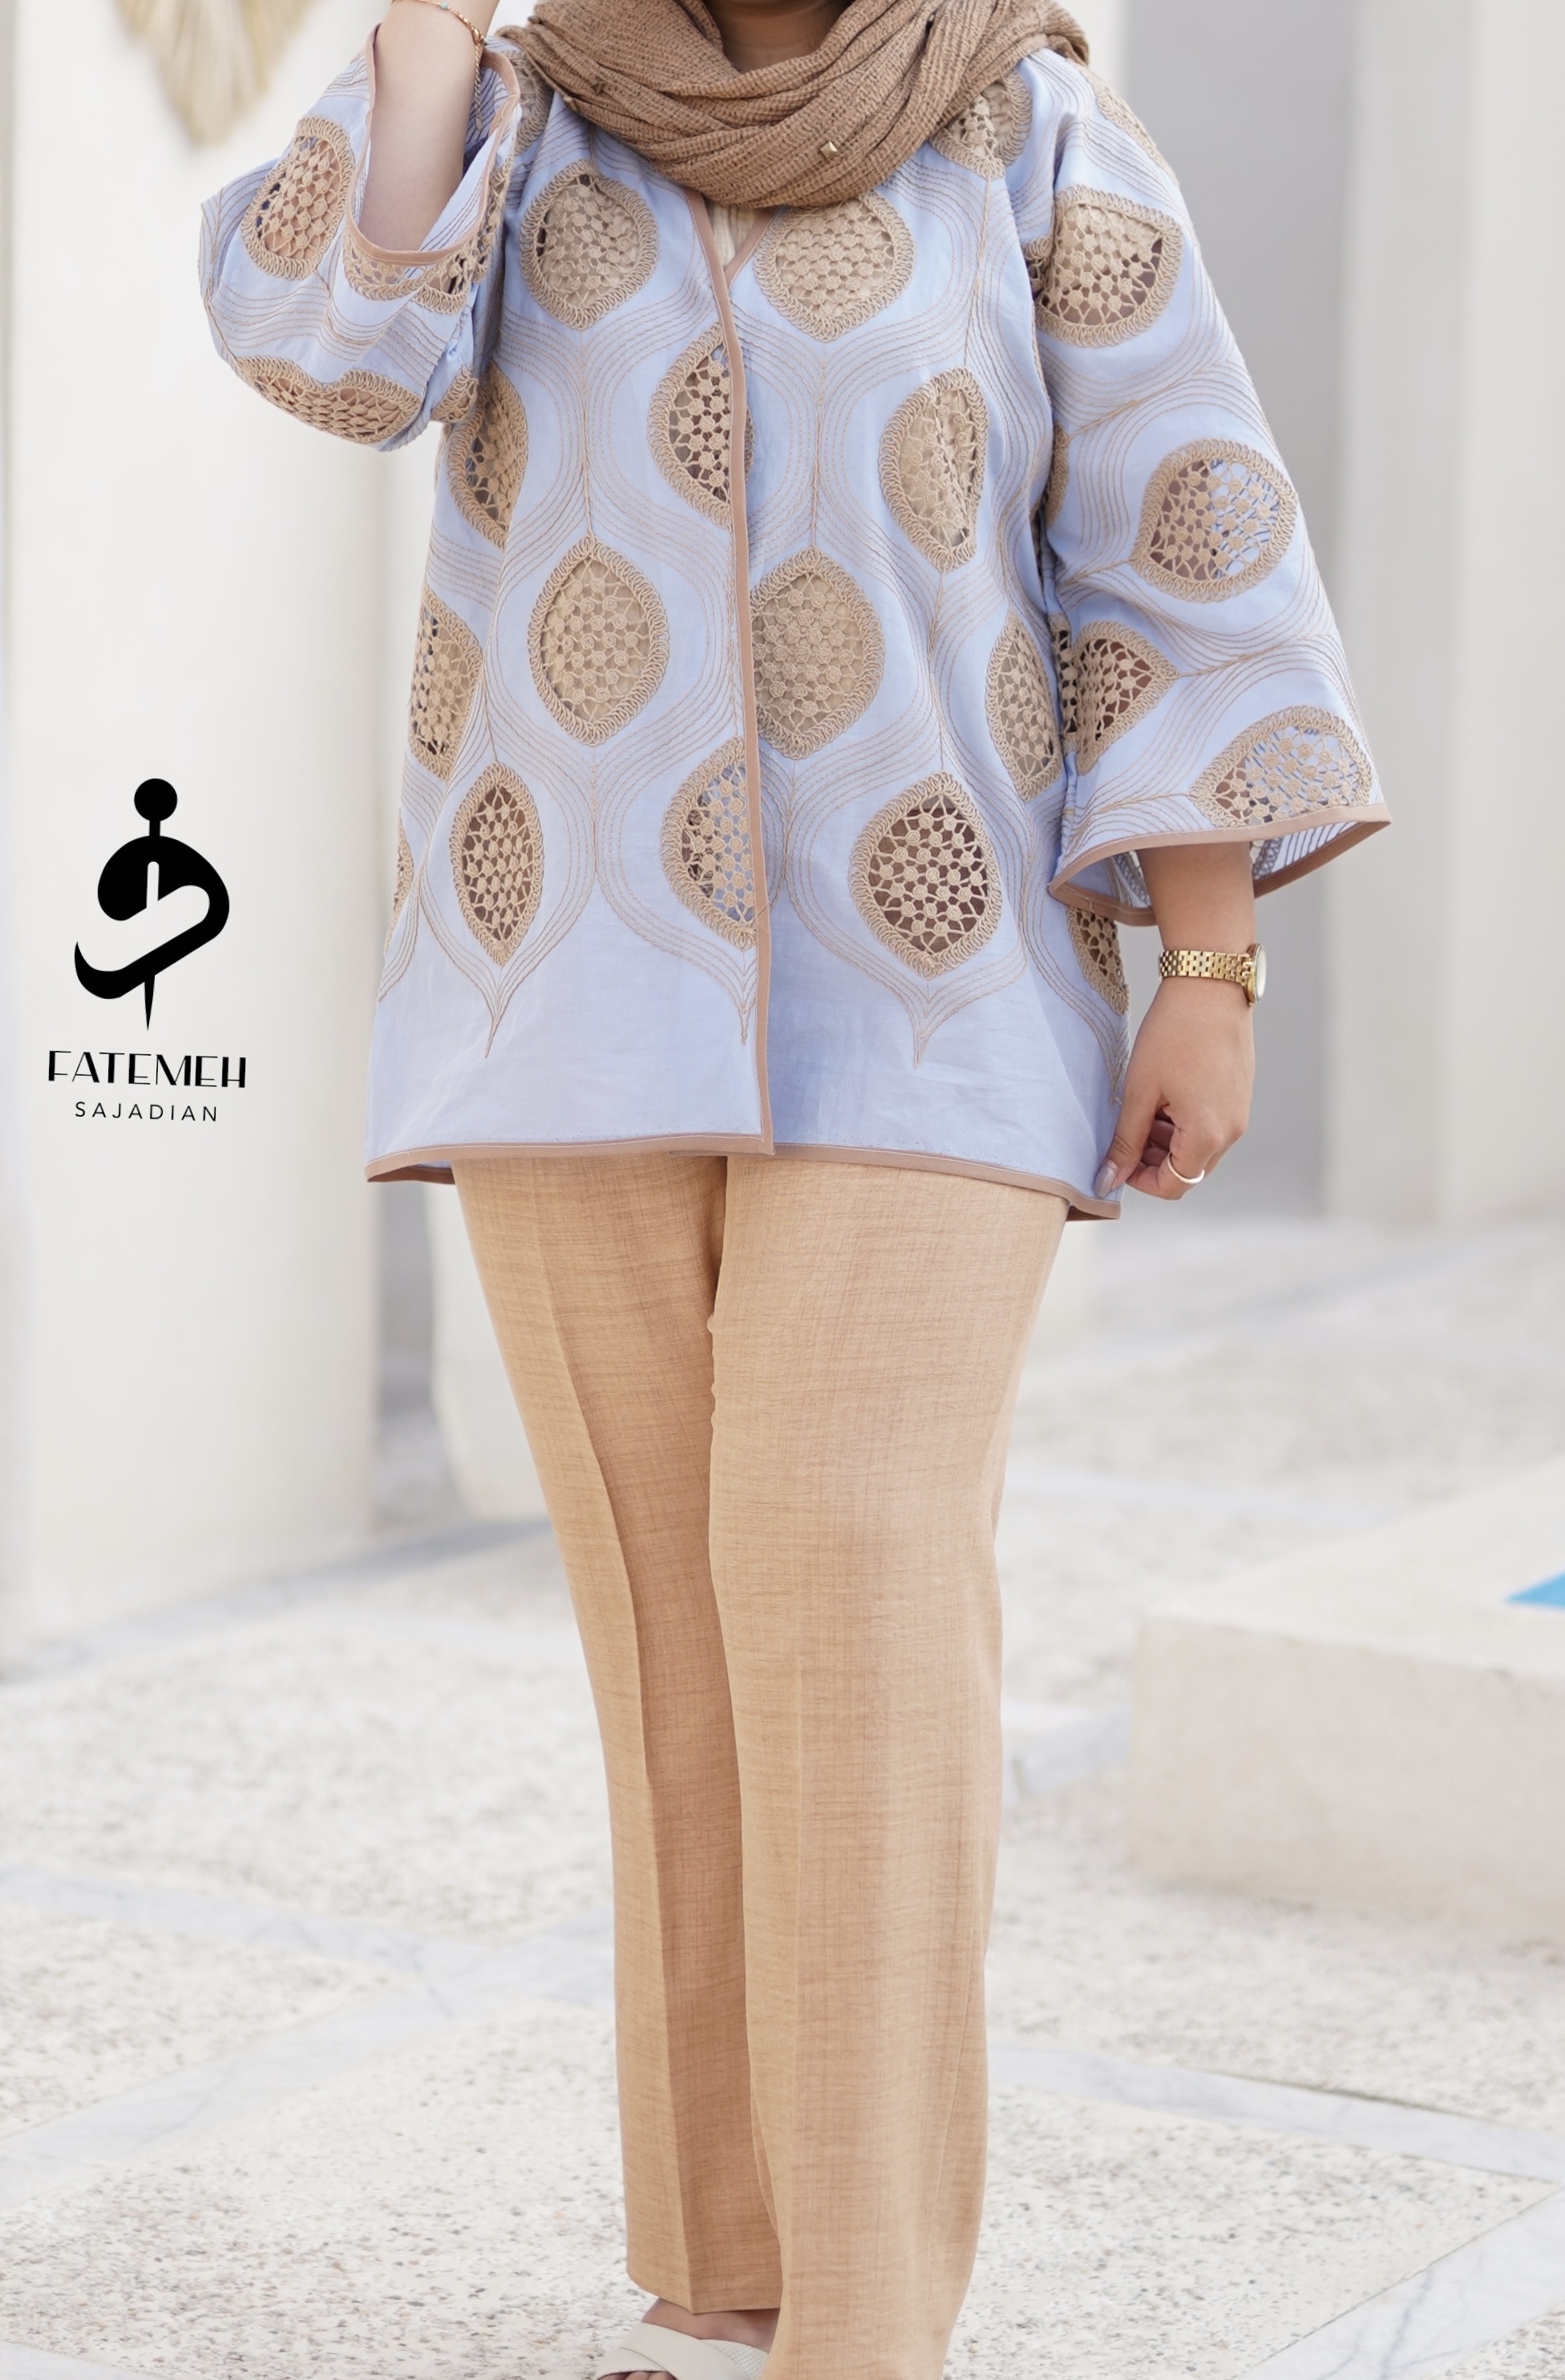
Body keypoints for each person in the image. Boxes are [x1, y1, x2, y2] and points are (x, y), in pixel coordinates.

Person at [202, 0, 1384, 2370]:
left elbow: (1179, 537)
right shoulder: (519, 109)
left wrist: (1209, 964)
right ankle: (725, 2270)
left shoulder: (1023, 127)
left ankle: (865, 2325)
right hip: (563, 983)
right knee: (670, 1639)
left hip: (937, 988)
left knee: (849, 1585)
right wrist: (423, 43)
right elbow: (332, 354)